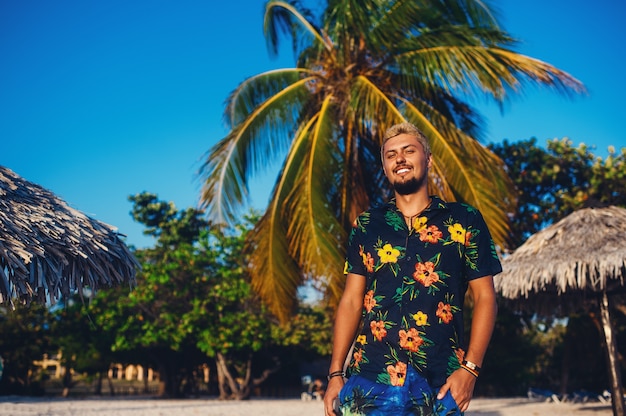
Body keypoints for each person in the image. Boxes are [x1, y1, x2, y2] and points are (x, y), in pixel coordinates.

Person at [323, 122, 500, 416]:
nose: (400, 159)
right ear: (385, 166)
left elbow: (485, 298)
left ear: (427, 159)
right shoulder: (366, 225)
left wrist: (470, 369)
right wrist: (334, 374)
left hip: (439, 381)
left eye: (408, 151)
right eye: (391, 155)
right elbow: (351, 301)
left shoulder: (465, 220)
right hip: (369, 378)